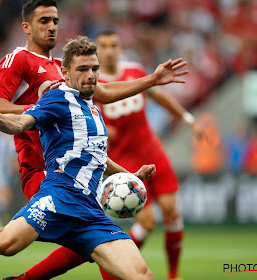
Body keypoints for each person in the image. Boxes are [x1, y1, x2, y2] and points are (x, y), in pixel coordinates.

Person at [0, 36, 157, 280]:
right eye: (82, 69)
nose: (90, 74)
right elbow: (21, 123)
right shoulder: (58, 97)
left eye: (94, 68)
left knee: (141, 276)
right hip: (59, 196)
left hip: (90, 210)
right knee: (2, 243)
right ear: (65, 72)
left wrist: (128, 175)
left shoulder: (92, 109)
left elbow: (97, 158)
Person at [0, 1, 188, 279]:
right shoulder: (20, 59)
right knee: (79, 236)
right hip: (43, 167)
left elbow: (103, 93)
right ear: (26, 26)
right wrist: (49, 109)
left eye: (55, 21)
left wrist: (151, 80)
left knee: (90, 237)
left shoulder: (61, 67)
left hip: (72, 163)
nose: (51, 27)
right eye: (44, 21)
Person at [92, 30, 206, 280]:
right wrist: (100, 127)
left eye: (114, 45)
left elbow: (159, 96)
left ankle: (174, 274)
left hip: (151, 151)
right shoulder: (93, 84)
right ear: (97, 51)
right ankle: (115, 270)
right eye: (104, 46)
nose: (110, 50)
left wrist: (189, 120)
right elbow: (83, 119)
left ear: (120, 48)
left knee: (171, 211)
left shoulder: (134, 71)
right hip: (124, 160)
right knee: (148, 222)